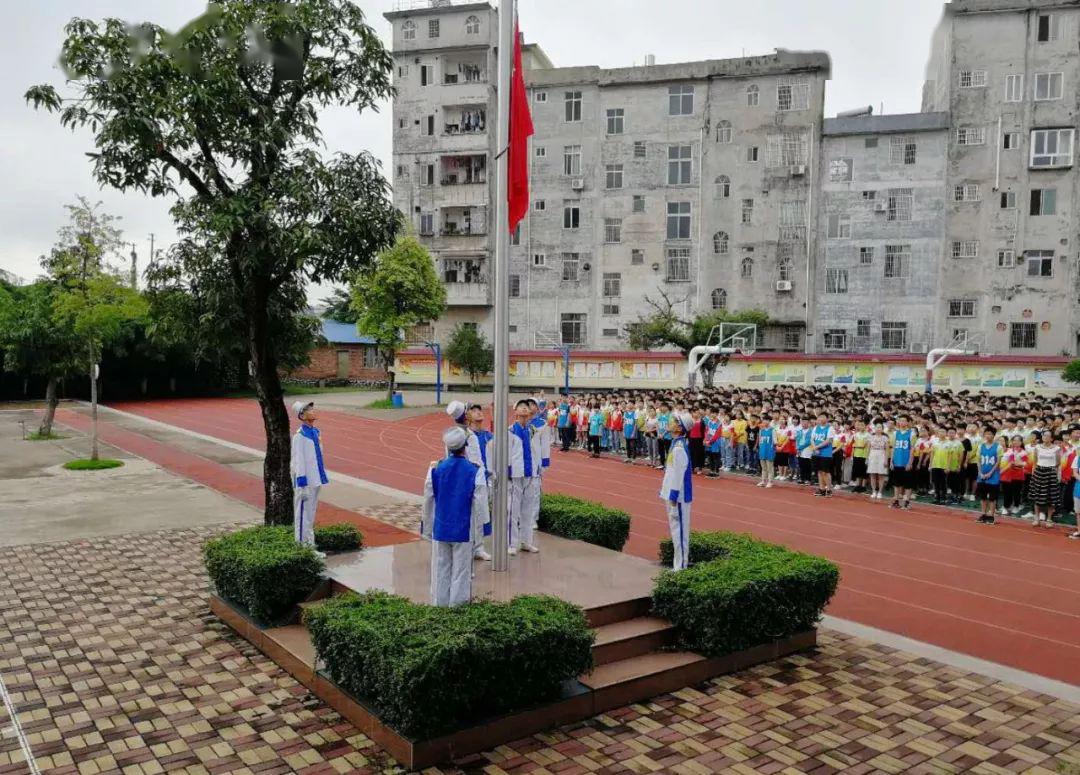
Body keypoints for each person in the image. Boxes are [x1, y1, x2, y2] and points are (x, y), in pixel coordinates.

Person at [422, 427, 486, 607]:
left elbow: (428, 499)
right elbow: (480, 503)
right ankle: (457, 609)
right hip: (463, 529)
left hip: (440, 527)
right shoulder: (475, 470)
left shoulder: (435, 468)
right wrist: (482, 529)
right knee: (461, 572)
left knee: (440, 570)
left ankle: (439, 606)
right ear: (465, 447)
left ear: (447, 447)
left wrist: (427, 528)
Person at [290, 401, 328, 556]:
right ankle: (302, 549)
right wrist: (302, 484)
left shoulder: (315, 432)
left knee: (310, 515)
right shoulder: (299, 436)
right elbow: (298, 461)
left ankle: (309, 547)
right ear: (302, 415)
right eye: (309, 410)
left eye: (312, 408)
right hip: (305, 483)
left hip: (316, 479)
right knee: (303, 516)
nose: (313, 411)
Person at [660, 412, 694, 571]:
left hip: (678, 498)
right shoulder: (675, 444)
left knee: (679, 533)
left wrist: (673, 498)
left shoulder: (679, 448)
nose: (669, 422)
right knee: (675, 532)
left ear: (680, 428)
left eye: (673, 421)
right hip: (672, 495)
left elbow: (678, 475)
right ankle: (678, 565)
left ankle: (680, 568)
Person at [507, 399, 541, 554]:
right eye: (520, 407)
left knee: (528, 510)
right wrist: (507, 471)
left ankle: (526, 541)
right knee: (513, 511)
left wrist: (538, 469)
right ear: (515, 411)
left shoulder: (533, 430)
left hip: (531, 473)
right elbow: (505, 453)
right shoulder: (510, 431)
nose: (524, 409)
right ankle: (512, 544)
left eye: (526, 407)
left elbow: (538, 451)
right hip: (515, 474)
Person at [1029, 431, 1061, 528]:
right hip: (1039, 472)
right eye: (1044, 435)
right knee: (1036, 495)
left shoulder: (1056, 448)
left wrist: (1053, 472)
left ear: (1052, 438)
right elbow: (1034, 462)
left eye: (1047, 435)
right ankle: (1037, 518)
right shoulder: (1037, 447)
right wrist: (1033, 474)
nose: (1045, 437)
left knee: (1051, 497)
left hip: (1050, 473)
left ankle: (1049, 519)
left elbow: (1058, 463)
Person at [975, 427, 1002, 524]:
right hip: (981, 475)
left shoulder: (998, 447)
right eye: (986, 434)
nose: (988, 436)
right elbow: (978, 460)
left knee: (992, 497)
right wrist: (980, 472)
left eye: (990, 434)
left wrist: (990, 473)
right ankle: (983, 514)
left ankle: (991, 516)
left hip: (993, 476)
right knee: (983, 497)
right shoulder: (980, 446)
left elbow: (998, 462)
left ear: (994, 435)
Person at [890, 415, 916, 510]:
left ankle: (907, 502)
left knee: (908, 483)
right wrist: (891, 461)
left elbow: (912, 449)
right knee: (896, 483)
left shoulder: (911, 433)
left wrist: (910, 462)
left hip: (906, 461)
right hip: (897, 461)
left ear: (908, 422)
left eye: (904, 421)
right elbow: (893, 448)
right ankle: (896, 501)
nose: (902, 422)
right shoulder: (895, 433)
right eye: (900, 420)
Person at [810, 413, 836, 497]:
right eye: (819, 417)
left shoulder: (830, 428)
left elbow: (828, 441)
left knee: (825, 472)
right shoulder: (815, 428)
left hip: (826, 453)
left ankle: (829, 489)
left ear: (827, 419)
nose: (821, 419)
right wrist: (814, 447)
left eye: (823, 417)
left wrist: (817, 447)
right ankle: (821, 489)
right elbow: (812, 439)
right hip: (816, 453)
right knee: (819, 471)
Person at [866, 422, 889, 500]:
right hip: (872, 455)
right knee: (872, 474)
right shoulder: (871, 437)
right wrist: (867, 458)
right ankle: (873, 491)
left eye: (880, 427)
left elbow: (887, 450)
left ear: (882, 429)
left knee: (881, 475)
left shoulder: (885, 438)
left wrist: (886, 460)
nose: (878, 429)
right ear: (874, 428)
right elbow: (868, 448)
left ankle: (879, 492)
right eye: (877, 427)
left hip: (881, 455)